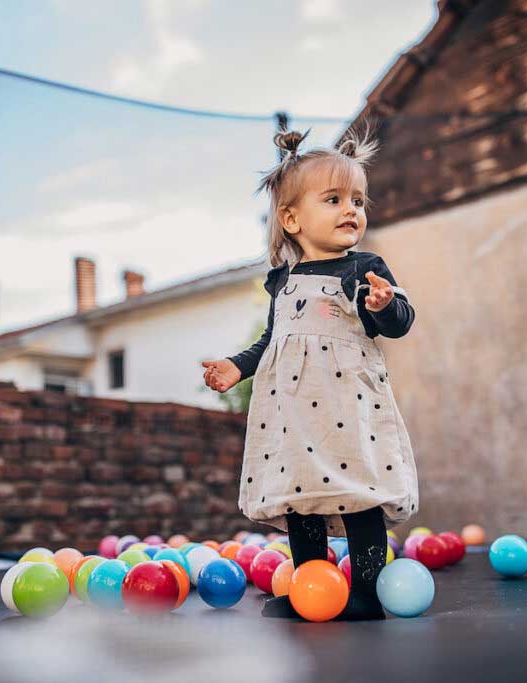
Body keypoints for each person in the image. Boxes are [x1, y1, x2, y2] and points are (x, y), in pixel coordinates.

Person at [201, 123, 418, 620]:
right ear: (292, 218)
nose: (351, 210)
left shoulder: (364, 267)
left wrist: (385, 304)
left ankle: (365, 592)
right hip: (294, 414)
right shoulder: (284, 281)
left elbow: (398, 324)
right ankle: (308, 591)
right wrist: (237, 368)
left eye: (359, 201)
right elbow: (272, 342)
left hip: (350, 405)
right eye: (335, 199)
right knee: (302, 499)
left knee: (358, 494)